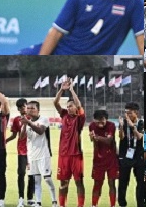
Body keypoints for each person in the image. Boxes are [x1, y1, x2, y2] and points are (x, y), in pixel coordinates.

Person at [53, 79, 85, 207]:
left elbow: (79, 105)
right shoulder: (64, 115)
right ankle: (62, 205)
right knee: (63, 183)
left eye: (70, 106)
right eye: (67, 106)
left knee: (79, 182)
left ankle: (80, 205)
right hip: (63, 155)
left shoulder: (80, 118)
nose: (68, 108)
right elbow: (55, 103)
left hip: (76, 155)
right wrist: (61, 89)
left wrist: (71, 90)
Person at [21, 101, 57, 207]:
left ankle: (54, 201)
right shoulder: (27, 122)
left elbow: (40, 131)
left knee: (47, 178)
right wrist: (24, 125)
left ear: (38, 110)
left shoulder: (43, 119)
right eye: (28, 108)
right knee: (36, 179)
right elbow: (22, 137)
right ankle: (38, 202)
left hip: (43, 154)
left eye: (33, 108)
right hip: (32, 155)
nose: (30, 110)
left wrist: (28, 123)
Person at [5, 99, 34, 207]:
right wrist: (6, 141)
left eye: (24, 106)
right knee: (21, 173)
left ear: (27, 106)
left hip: (32, 150)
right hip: (21, 150)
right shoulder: (17, 120)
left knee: (32, 174)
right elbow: (14, 135)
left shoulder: (33, 118)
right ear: (18, 109)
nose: (22, 109)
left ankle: (30, 198)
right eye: (20, 107)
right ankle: (21, 198)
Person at [87, 110, 117, 207]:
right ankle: (94, 205)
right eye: (97, 121)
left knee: (111, 182)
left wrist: (97, 137)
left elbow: (109, 141)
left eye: (102, 120)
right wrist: (92, 137)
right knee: (97, 183)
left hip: (111, 159)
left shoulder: (111, 125)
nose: (100, 123)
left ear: (106, 119)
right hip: (98, 160)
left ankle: (112, 205)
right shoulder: (91, 126)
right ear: (94, 120)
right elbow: (92, 139)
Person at [117, 103, 144, 207]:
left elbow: (139, 137)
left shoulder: (141, 123)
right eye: (126, 113)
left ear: (136, 112)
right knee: (123, 182)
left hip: (138, 156)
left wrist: (132, 126)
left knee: (140, 182)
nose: (127, 115)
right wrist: (121, 127)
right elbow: (121, 137)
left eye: (129, 113)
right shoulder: (123, 122)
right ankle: (122, 204)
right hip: (125, 155)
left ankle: (140, 204)